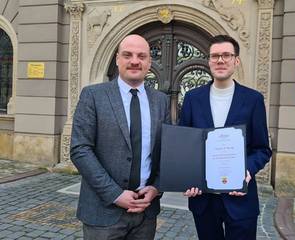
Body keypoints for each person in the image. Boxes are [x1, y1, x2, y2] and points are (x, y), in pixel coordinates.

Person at [70, 34, 170, 240]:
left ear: (149, 62)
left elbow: (167, 151)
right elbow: (80, 149)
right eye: (128, 55)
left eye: (141, 56)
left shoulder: (161, 100)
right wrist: (115, 194)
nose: (135, 61)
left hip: (146, 211)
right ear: (117, 59)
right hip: (102, 213)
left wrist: (157, 188)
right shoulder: (93, 95)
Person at [179, 35, 272, 240]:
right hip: (203, 198)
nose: (220, 60)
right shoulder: (193, 98)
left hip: (240, 198)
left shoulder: (253, 99)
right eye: (215, 56)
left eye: (226, 55)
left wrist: (246, 171)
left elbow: (262, 149)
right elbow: (184, 146)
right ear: (209, 61)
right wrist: (188, 178)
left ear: (236, 61)